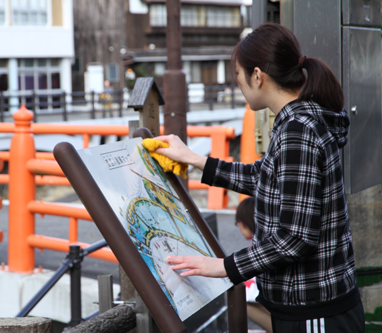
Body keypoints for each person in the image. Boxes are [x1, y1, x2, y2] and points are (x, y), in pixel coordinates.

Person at [153, 23, 364, 332]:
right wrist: (196, 160)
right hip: (315, 303)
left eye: (237, 76)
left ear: (256, 75)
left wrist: (224, 267)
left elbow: (296, 237)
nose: (237, 84)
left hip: (314, 309)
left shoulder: (297, 130)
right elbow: (267, 178)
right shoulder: (300, 118)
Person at [235, 197, 273, 333]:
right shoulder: (272, 243)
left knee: (239, 301)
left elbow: (248, 292)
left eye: (237, 222)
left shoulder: (257, 251)